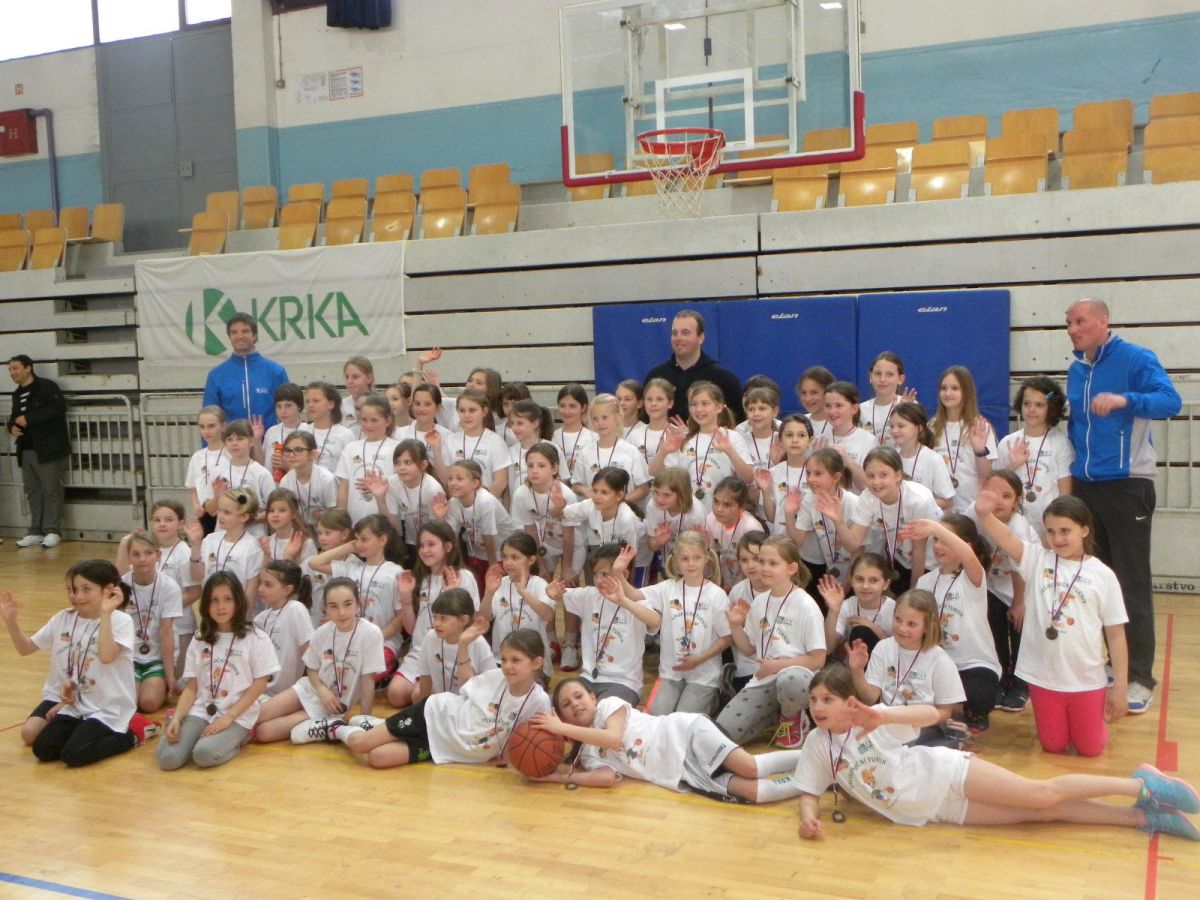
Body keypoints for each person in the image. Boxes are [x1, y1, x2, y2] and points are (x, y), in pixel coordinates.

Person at [794, 666, 1199, 841]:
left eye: (827, 699)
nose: (818, 707)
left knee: (1041, 794)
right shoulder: (816, 745)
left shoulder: (872, 719)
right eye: (813, 700)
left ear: (848, 701)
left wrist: (883, 716)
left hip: (947, 774)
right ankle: (1141, 817)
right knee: (1042, 813)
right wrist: (808, 819)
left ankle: (1139, 784)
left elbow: (932, 714)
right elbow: (809, 791)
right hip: (936, 810)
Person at [1064, 298, 1181, 714]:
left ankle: (1140, 676)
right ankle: (1117, 664)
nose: (1072, 329)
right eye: (1068, 323)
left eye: (1080, 321)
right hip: (1087, 487)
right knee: (1100, 582)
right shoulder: (1076, 370)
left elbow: (1170, 401)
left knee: (1131, 582)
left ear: (1103, 321)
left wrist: (1124, 400)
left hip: (1128, 485)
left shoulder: (1135, 358)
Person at [975, 491, 1129, 757]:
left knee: (1090, 749)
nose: (1057, 539)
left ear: (1084, 530)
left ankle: (1092, 726)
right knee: (1053, 746)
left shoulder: (1103, 575)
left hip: (1086, 679)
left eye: (1065, 531)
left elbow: (1116, 635)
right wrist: (984, 514)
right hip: (1044, 679)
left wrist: (1121, 687)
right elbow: (1007, 538)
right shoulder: (1037, 560)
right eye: (1051, 531)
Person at [530, 677, 804, 804]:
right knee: (753, 793)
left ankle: (811, 757)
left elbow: (613, 739)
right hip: (678, 771)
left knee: (750, 767)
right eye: (566, 704)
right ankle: (816, 779)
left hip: (685, 733)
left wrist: (563, 727)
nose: (575, 704)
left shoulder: (609, 705)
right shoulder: (588, 753)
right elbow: (607, 778)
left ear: (592, 697)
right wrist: (558, 777)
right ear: (562, 715)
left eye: (578, 696)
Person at [331, 629, 550, 769]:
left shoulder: (539, 701)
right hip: (434, 715)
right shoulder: (495, 677)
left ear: (537, 663)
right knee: (361, 744)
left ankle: (374, 724)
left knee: (377, 758)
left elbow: (536, 738)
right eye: (504, 659)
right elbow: (467, 686)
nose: (507, 666)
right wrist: (463, 646)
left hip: (446, 746)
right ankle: (334, 727)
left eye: (515, 660)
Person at [0, 560, 141, 766]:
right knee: (43, 749)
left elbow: (106, 656)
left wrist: (105, 613)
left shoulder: (120, 621)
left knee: (72, 755)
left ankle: (132, 735)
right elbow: (25, 648)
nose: (77, 596)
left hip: (108, 707)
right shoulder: (63, 618)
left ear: (108, 590)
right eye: (73, 590)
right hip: (77, 703)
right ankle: (82, 729)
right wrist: (11, 622)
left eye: (86, 589)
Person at [157, 572, 279, 770]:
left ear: (238, 601)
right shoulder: (200, 639)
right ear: (206, 604)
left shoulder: (256, 637)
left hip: (237, 715)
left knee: (203, 754)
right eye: (214, 600)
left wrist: (228, 717)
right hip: (201, 710)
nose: (221, 606)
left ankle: (240, 739)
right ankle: (188, 731)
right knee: (167, 758)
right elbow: (192, 688)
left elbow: (260, 684)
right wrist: (178, 718)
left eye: (227, 599)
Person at [7, 354, 70, 548]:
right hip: (26, 449)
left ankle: (52, 530)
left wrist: (29, 419)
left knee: (51, 489)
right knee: (33, 490)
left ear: (28, 368)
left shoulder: (47, 387)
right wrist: (11, 427)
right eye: (10, 370)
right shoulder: (17, 394)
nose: (12, 373)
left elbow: (58, 409)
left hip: (48, 449)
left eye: (15, 368)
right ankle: (35, 530)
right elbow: (14, 417)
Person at [644, 310, 743, 422]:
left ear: (701, 337)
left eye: (685, 333)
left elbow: (737, 422)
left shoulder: (723, 378)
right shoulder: (656, 376)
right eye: (674, 333)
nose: (678, 338)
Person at [201, 313, 290, 429]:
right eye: (234, 332)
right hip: (231, 440)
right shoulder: (216, 375)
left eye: (245, 331)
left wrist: (283, 441)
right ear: (229, 337)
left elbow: (290, 413)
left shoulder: (276, 372)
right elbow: (208, 419)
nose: (240, 336)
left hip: (270, 440)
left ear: (254, 335)